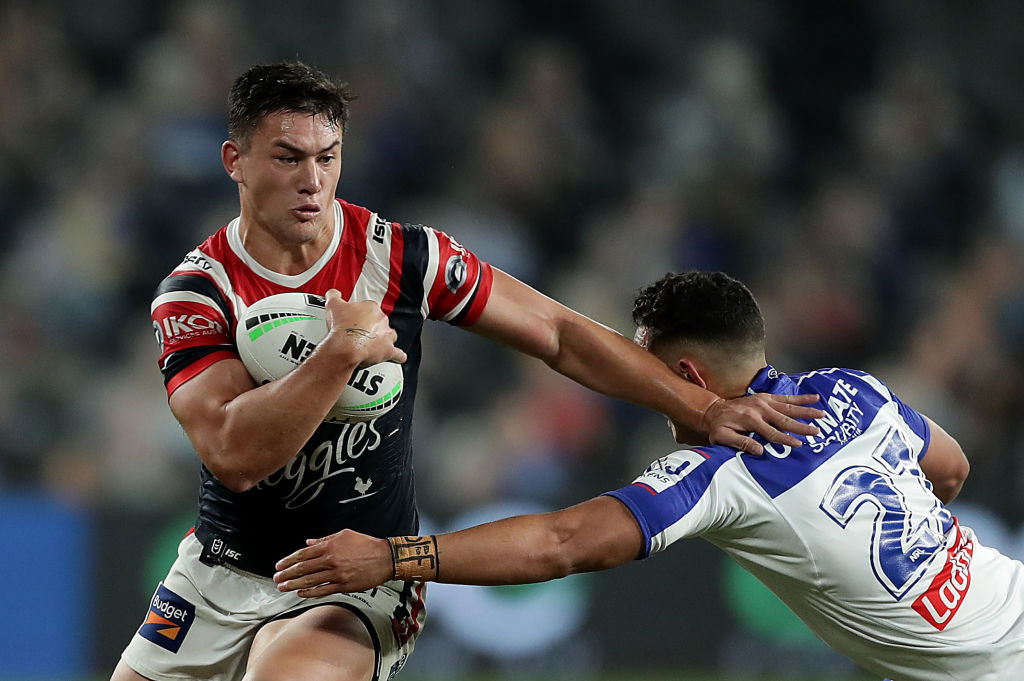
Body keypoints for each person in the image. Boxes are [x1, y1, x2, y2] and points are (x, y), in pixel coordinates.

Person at [111, 62, 824, 681]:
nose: (313, 181)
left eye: (328, 157)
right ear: (234, 160)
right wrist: (341, 354)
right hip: (221, 570)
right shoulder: (199, 292)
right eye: (288, 158)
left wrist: (703, 410)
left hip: (356, 577)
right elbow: (234, 455)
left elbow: (559, 333)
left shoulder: (401, 257)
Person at [275, 270, 1024, 681]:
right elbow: (951, 468)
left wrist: (394, 557)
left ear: (687, 376)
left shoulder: (722, 470)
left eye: (646, 368)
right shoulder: (850, 387)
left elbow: (563, 542)